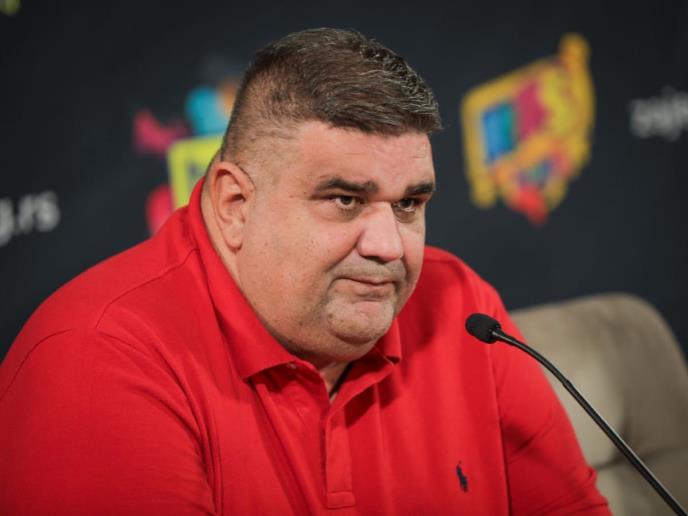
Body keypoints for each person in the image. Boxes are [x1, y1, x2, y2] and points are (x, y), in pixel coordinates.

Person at [0, 28, 609, 514]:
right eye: (344, 199)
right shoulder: (97, 357)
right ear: (235, 205)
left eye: (408, 204)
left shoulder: (461, 303)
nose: (389, 247)